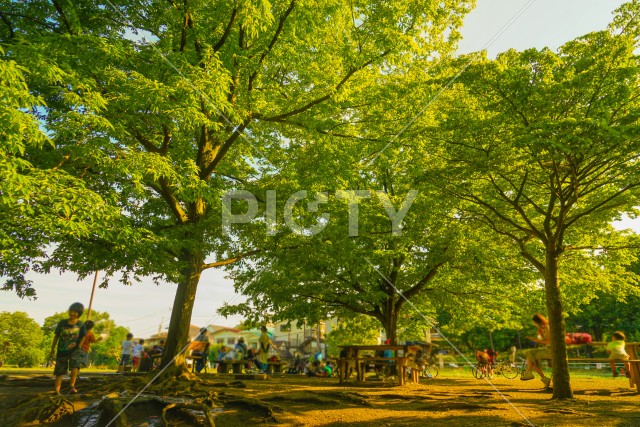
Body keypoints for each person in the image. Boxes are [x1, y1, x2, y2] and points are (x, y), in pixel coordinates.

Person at [50, 302, 86, 395]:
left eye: (75, 312)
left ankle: (71, 386)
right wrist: (52, 349)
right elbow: (56, 336)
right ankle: (57, 390)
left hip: (75, 351)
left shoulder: (81, 324)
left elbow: (83, 336)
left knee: (75, 367)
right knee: (59, 371)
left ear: (79, 314)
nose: (72, 313)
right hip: (62, 350)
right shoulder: (62, 323)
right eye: (71, 311)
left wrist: (79, 346)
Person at [521, 313, 552, 388]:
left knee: (529, 354)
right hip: (546, 349)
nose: (535, 324)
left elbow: (549, 342)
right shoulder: (543, 328)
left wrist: (535, 340)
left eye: (535, 323)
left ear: (538, 322)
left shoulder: (547, 327)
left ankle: (529, 372)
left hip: (550, 350)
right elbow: (544, 340)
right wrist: (540, 335)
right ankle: (544, 379)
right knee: (531, 360)